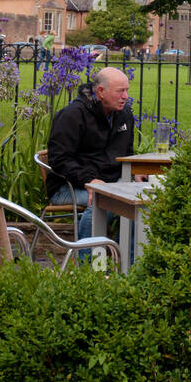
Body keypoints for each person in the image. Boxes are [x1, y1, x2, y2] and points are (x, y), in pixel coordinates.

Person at [45, 68, 135, 247]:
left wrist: (136, 170)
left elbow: (127, 151)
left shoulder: (124, 114)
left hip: (110, 183)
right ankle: (88, 266)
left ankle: (123, 261)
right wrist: (90, 181)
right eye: (120, 91)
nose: (125, 96)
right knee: (107, 201)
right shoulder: (72, 115)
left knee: (141, 202)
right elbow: (59, 159)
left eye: (127, 90)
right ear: (100, 91)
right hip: (69, 185)